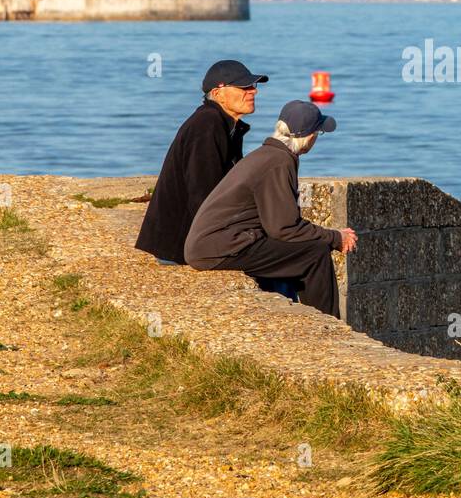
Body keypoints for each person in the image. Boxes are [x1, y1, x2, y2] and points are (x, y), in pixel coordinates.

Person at [184, 100, 357, 317]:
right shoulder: (279, 162)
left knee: (304, 249)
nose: (315, 138)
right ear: (310, 136)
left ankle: (302, 317)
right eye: (317, 133)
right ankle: (329, 330)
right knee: (315, 254)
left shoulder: (269, 154)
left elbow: (278, 223)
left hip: (219, 243)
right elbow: (284, 228)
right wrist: (334, 238)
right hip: (220, 248)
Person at [134, 60, 268, 265]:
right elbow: (204, 192)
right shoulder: (208, 124)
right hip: (180, 247)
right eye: (244, 87)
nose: (253, 92)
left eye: (253, 86)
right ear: (217, 93)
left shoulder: (224, 124)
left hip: (191, 239)